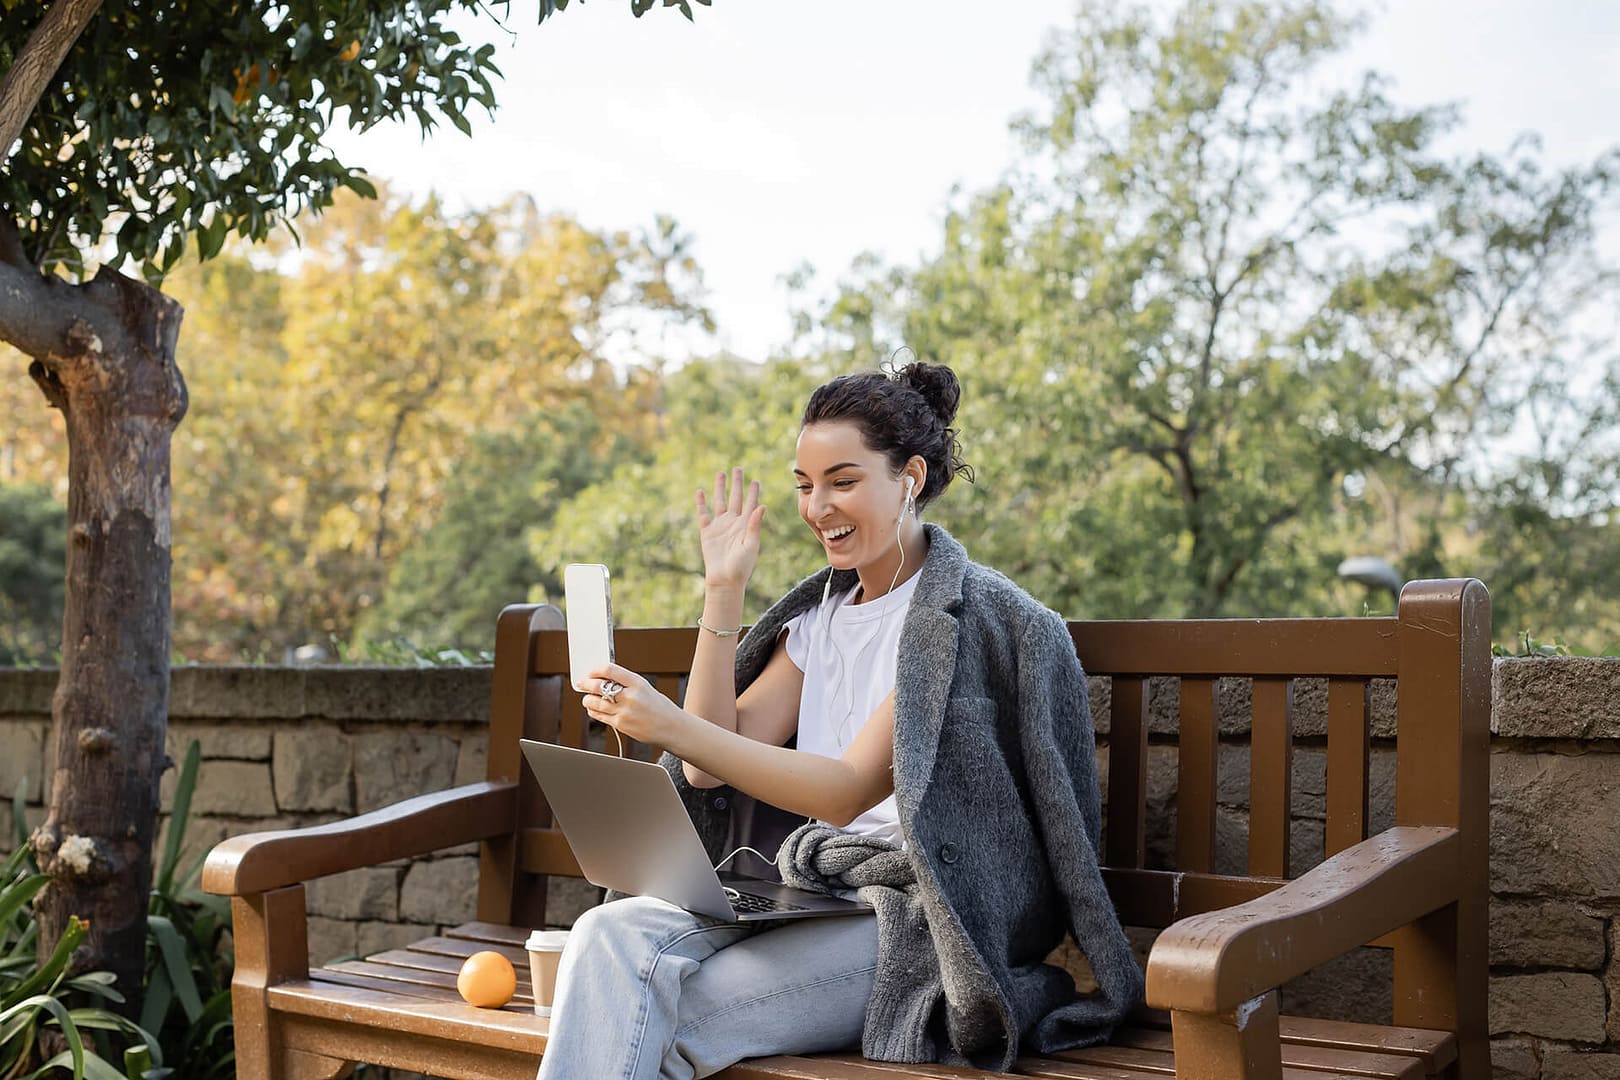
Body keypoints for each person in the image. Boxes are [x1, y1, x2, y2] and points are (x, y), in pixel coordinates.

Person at [536, 361, 1142, 1080]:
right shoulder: (820, 619)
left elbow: (844, 791)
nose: (817, 505)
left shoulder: (959, 625)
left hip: (910, 921)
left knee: (650, 1019)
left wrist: (667, 724)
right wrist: (724, 588)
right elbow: (707, 762)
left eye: (843, 481)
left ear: (910, 477)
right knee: (605, 935)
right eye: (804, 484)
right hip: (804, 893)